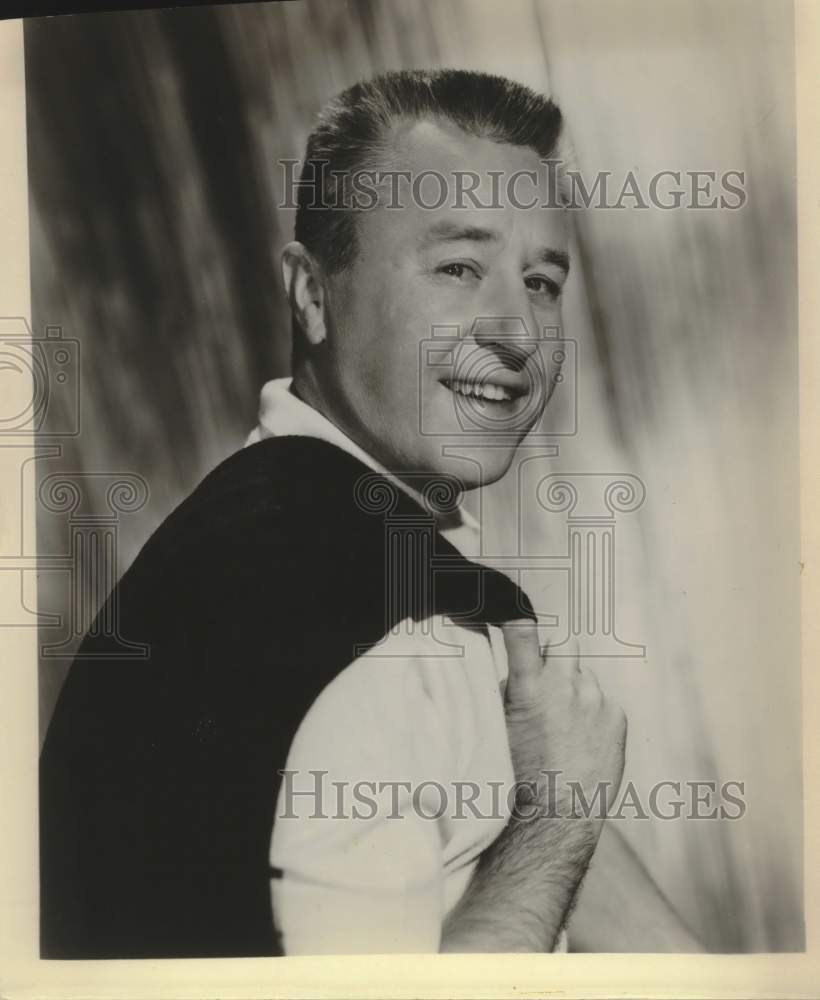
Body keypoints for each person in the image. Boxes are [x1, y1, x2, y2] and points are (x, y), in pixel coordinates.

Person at [39, 68, 701, 957]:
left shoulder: (281, 536)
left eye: (542, 282)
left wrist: (558, 809)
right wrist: (558, 816)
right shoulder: (379, 631)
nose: (517, 331)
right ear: (312, 294)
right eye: (459, 266)